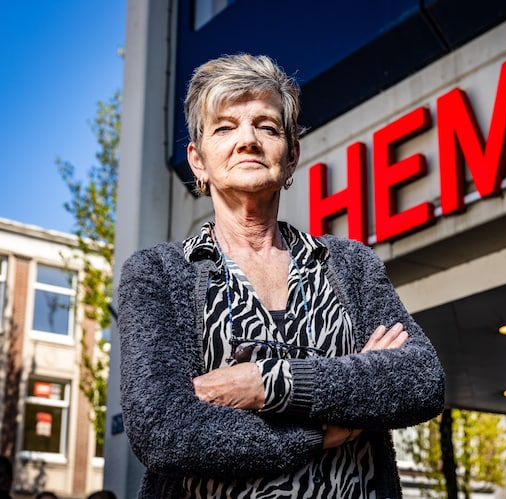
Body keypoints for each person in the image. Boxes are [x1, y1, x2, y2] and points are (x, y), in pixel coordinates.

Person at [118, 53, 445, 498]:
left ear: (291, 157)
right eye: (225, 127)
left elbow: (419, 379)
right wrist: (320, 431)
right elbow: (165, 430)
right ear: (197, 161)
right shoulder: (157, 273)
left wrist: (263, 384)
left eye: (267, 127)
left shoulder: (350, 264)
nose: (247, 141)